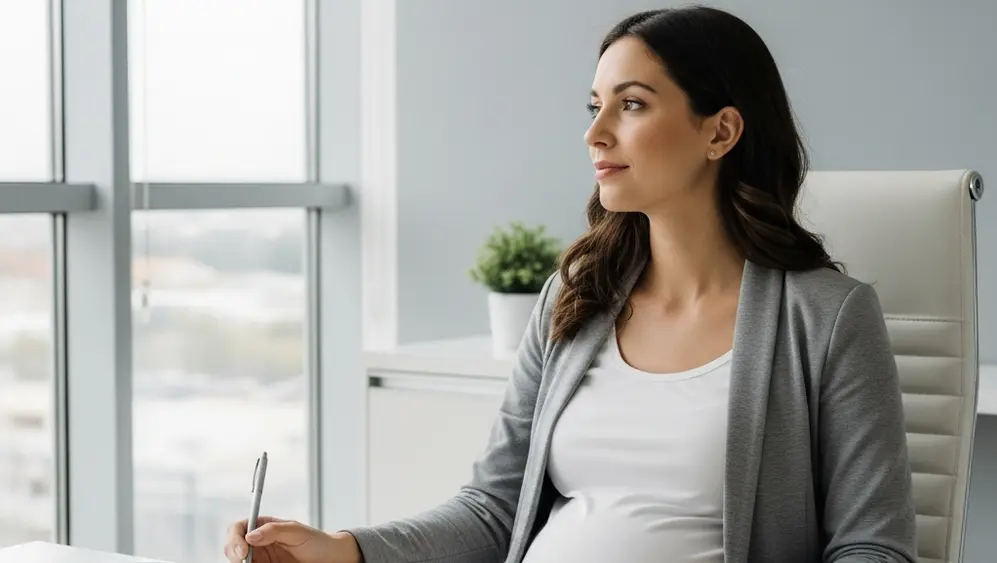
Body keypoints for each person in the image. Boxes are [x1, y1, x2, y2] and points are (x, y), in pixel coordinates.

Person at [224, 6, 917, 563]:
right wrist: (346, 550)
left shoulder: (826, 317)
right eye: (594, 105)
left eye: (632, 105)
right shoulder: (575, 297)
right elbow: (492, 510)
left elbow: (873, 545)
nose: (594, 132)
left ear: (721, 131)